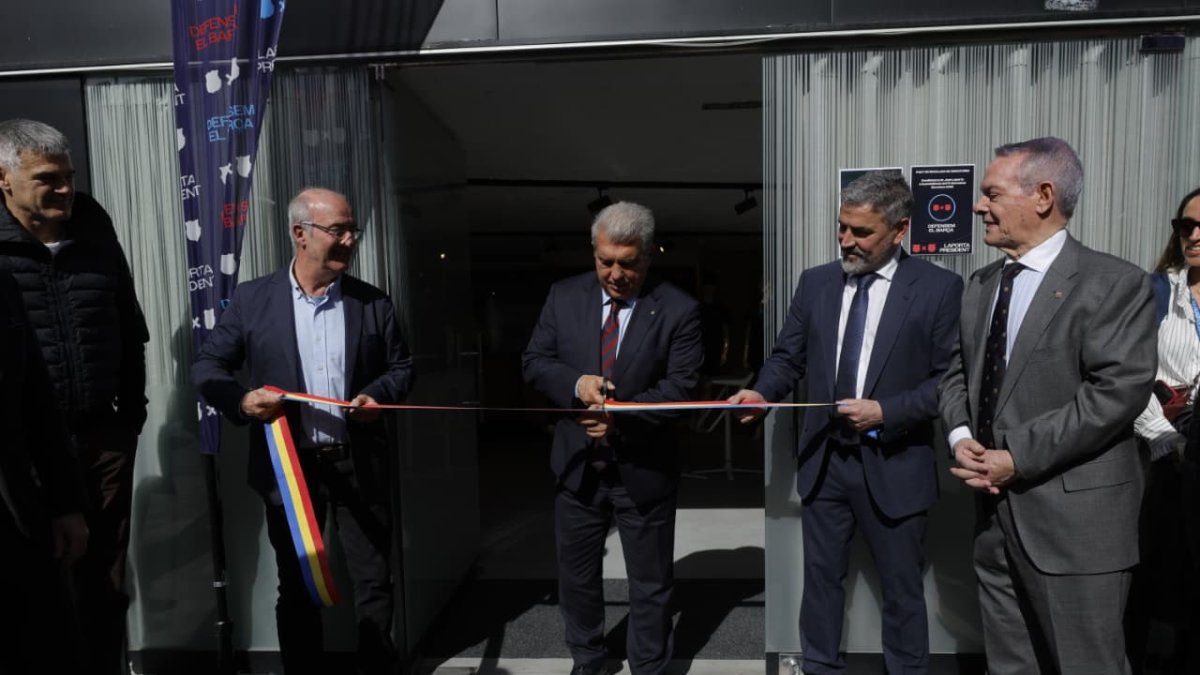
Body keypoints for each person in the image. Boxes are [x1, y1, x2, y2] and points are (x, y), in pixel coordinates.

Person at [727, 172, 963, 674]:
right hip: (825, 461)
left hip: (895, 461)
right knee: (821, 582)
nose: (846, 241)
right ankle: (818, 668)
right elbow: (788, 357)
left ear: (900, 231)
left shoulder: (939, 289)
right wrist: (761, 392)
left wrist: (887, 411)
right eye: (841, 228)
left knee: (902, 591)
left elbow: (948, 382)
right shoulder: (816, 283)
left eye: (861, 232)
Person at [938, 137, 1156, 675]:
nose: (977, 205)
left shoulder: (1114, 283)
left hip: (1075, 529)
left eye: (990, 193)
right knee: (1011, 665)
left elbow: (1116, 393)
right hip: (992, 519)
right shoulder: (982, 284)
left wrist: (1013, 455)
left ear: (1042, 196)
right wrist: (960, 436)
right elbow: (955, 376)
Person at [192, 187, 414, 675]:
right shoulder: (254, 300)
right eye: (338, 230)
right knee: (296, 585)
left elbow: (401, 367)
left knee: (374, 580)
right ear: (300, 233)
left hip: (358, 461)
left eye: (352, 230)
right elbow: (208, 365)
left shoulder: (371, 302)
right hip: (289, 470)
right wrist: (242, 401)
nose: (350, 240)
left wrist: (379, 394)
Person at [522, 201, 703, 675]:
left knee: (650, 581)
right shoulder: (563, 296)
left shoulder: (679, 309)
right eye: (606, 261)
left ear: (649, 255)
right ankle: (588, 661)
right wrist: (575, 385)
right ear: (593, 251)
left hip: (643, 468)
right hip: (577, 465)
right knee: (577, 577)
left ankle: (649, 666)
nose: (616, 273)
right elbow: (535, 361)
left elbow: (682, 389)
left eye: (629, 262)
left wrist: (622, 418)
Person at [0, 118, 148, 675]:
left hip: (100, 439)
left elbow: (129, 327)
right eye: (47, 178)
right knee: (38, 584)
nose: (64, 189)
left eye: (69, 176)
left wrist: (128, 421)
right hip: (25, 455)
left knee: (104, 583)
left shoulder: (93, 231)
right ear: (4, 181)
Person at [0, 272, 90, 673]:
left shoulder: (2, 286)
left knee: (44, 644)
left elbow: (37, 404)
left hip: (15, 512)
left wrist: (66, 504)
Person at [1127, 185, 1200, 673]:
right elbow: (1130, 376)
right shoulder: (1156, 290)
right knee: (1156, 568)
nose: (1192, 235)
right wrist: (1165, 439)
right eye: (1185, 225)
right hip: (1167, 452)